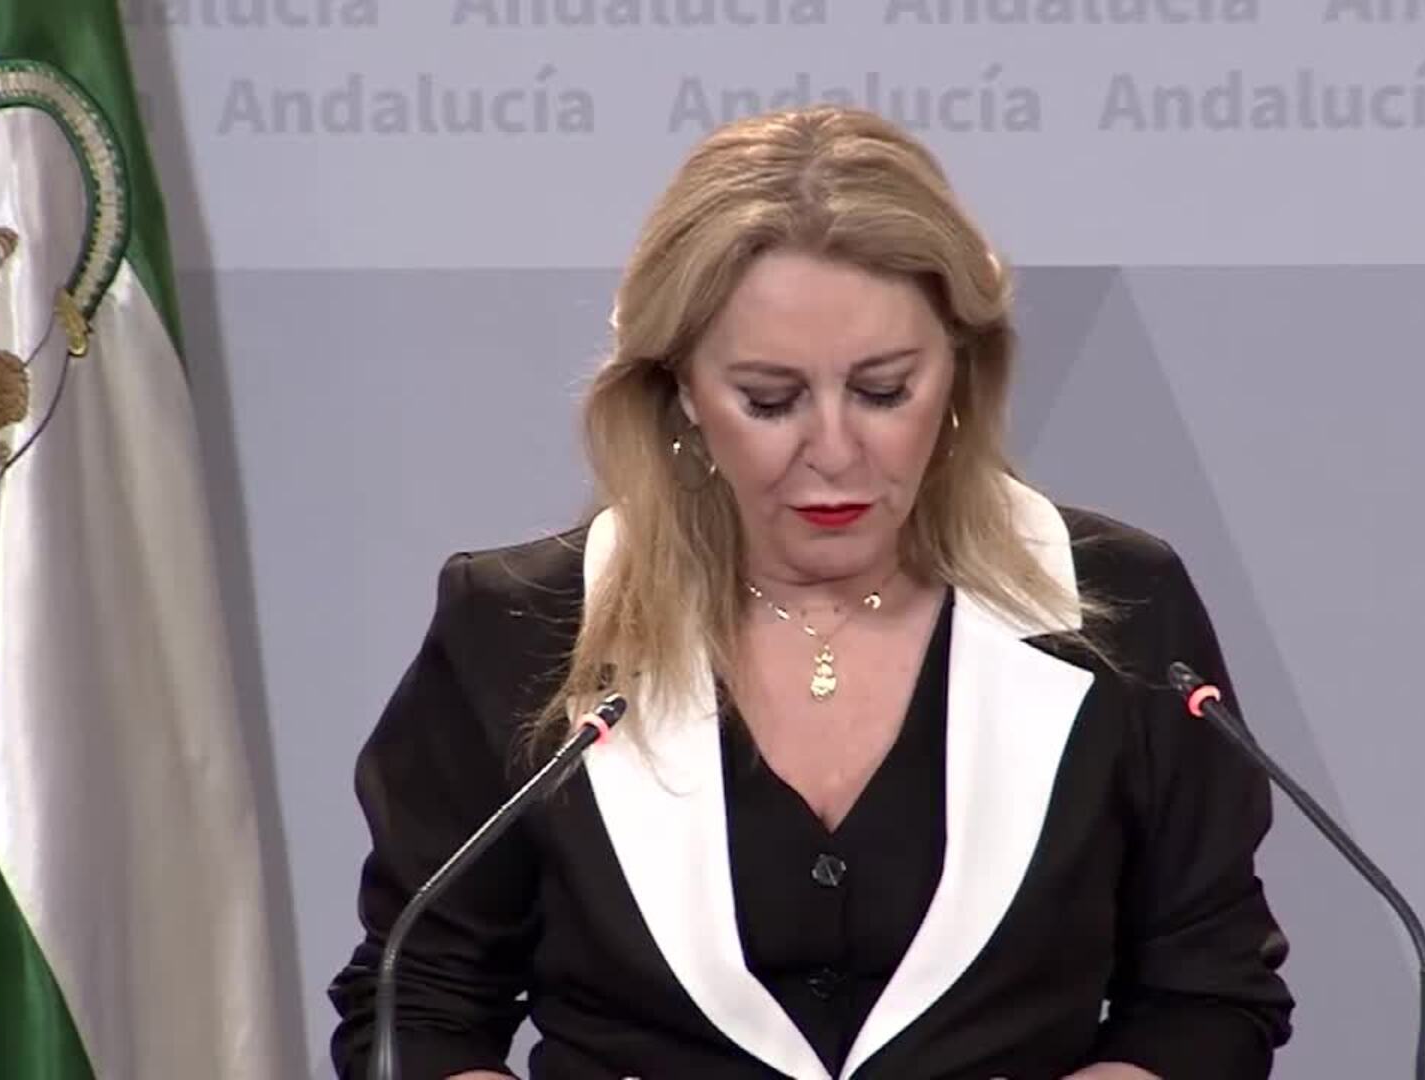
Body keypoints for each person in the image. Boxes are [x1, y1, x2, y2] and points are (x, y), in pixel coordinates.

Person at [327, 105, 1293, 1080]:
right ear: (681, 393)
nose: (833, 451)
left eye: (883, 391)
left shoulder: (1122, 609)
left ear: (960, 374)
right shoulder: (521, 625)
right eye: (770, 399)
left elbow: (1209, 994)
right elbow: (414, 1006)